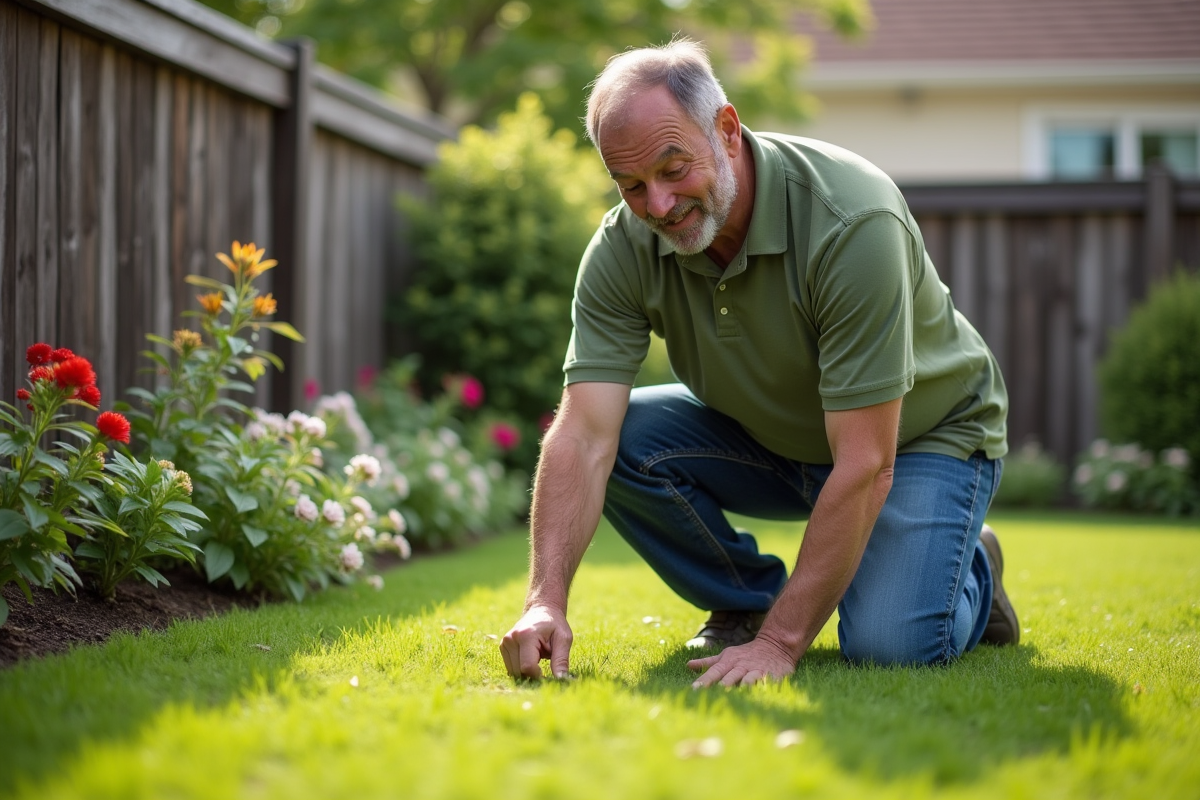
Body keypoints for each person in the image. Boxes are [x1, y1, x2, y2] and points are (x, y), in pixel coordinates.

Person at [499, 39, 1019, 688]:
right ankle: (748, 600)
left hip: (922, 438)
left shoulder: (851, 220)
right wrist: (544, 599)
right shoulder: (621, 248)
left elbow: (865, 461)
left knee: (891, 646)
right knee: (625, 437)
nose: (657, 206)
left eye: (673, 168)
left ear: (726, 129)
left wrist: (781, 645)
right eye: (631, 185)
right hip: (775, 439)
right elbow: (582, 437)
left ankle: (973, 566)